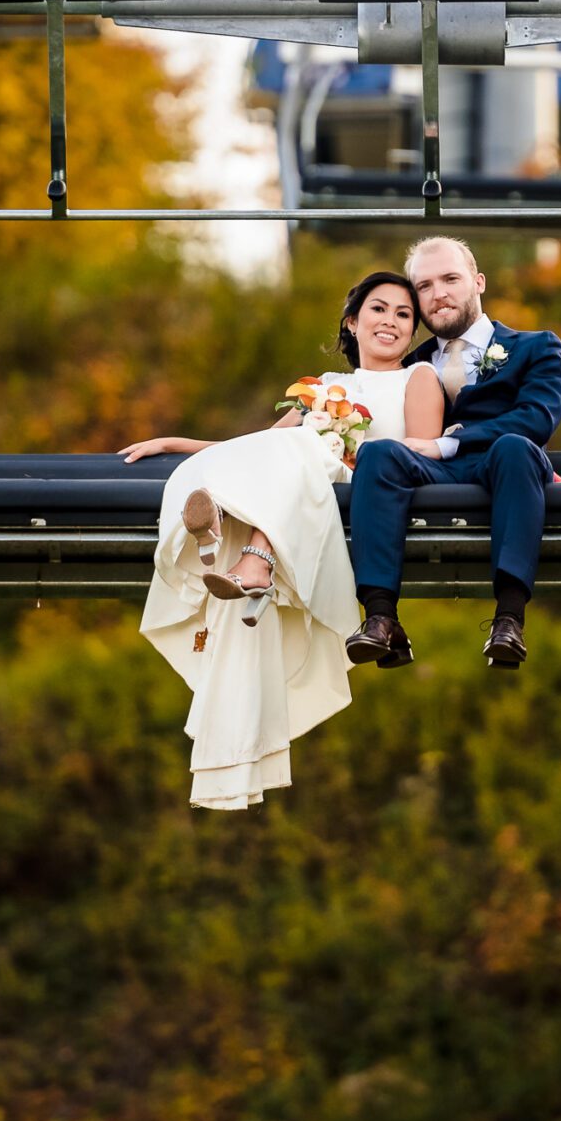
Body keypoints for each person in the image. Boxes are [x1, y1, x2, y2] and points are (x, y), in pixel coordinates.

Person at [120, 272, 445, 810]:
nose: (389, 321)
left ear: (412, 332)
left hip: (365, 482)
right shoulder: (322, 386)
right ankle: (240, 554)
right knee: (291, 451)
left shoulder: (419, 379)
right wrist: (180, 443)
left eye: (403, 315)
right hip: (301, 484)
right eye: (378, 309)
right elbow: (261, 448)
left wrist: (348, 448)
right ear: (352, 321)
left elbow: (421, 450)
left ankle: (247, 553)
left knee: (308, 452)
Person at [345, 237, 561, 673]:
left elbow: (536, 418)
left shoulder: (536, 347)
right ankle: (381, 617)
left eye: (450, 279)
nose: (439, 293)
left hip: (507, 467)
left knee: (513, 447)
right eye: (424, 286)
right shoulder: (411, 364)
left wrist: (447, 443)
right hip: (433, 474)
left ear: (478, 282)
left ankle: (508, 619)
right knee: (379, 454)